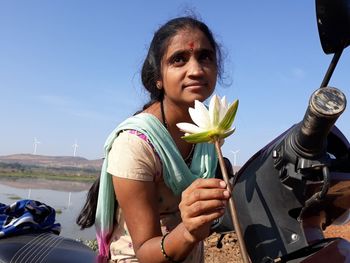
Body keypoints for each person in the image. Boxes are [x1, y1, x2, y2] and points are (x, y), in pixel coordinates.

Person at [77, 16, 231, 263]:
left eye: (205, 57)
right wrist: (189, 230)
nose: (196, 70)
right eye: (178, 59)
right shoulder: (134, 144)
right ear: (158, 77)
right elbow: (145, 251)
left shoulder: (210, 131)